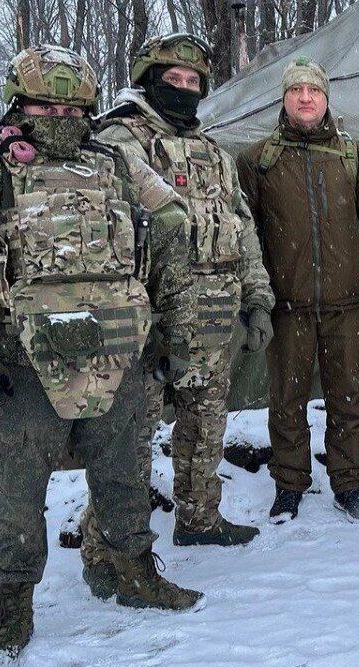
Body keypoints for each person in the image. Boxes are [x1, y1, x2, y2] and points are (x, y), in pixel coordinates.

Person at [0, 46, 204, 667]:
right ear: (20, 104)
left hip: (118, 356)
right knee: (19, 491)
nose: (61, 116)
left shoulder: (118, 160)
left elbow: (174, 235)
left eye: (74, 107)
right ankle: (12, 611)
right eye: (47, 105)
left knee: (125, 475)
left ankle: (132, 574)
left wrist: (175, 340)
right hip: (23, 364)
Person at [73, 33, 274, 599]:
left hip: (215, 312)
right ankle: (107, 549)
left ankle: (199, 520)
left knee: (206, 423)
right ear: (148, 80)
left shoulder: (214, 151)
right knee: (130, 439)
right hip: (149, 318)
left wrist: (258, 298)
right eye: (172, 80)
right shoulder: (119, 140)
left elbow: (243, 229)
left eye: (193, 82)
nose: (183, 89)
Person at [236, 57, 359, 524]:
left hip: (349, 306)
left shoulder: (353, 156)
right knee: (286, 402)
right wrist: (254, 300)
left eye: (314, 90)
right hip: (287, 306)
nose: (305, 97)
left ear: (327, 100)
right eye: (296, 90)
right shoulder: (258, 160)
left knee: (348, 400)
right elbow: (244, 234)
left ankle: (350, 485)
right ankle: (289, 484)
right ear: (284, 100)